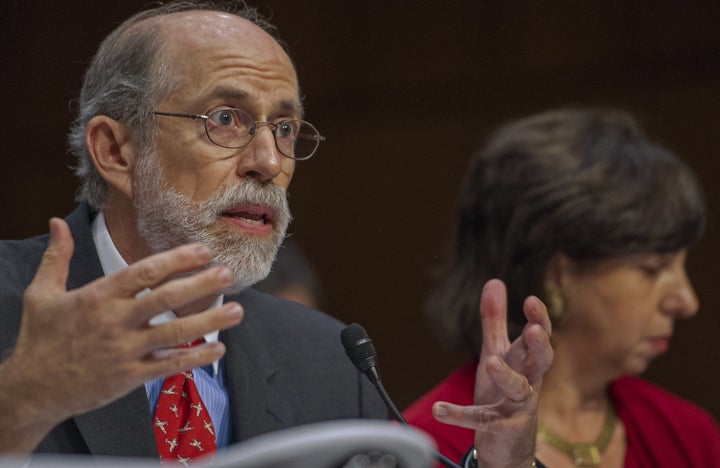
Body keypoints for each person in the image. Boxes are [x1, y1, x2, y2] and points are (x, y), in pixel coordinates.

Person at [0, 1, 553, 466]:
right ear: (116, 151)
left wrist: (503, 460)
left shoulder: (330, 364)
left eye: (284, 128)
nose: (268, 161)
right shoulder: (10, 308)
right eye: (224, 119)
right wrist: (22, 401)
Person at [403, 108, 720, 467]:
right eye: (653, 269)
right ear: (557, 273)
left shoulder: (687, 434)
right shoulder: (427, 446)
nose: (687, 301)